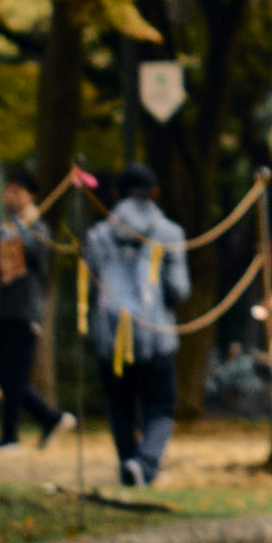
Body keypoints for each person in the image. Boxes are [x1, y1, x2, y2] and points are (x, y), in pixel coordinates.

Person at [88, 161, 190, 493]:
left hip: (111, 332)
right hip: (155, 334)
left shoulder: (99, 235)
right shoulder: (169, 233)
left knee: (120, 405)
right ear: (155, 192)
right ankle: (145, 463)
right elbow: (179, 289)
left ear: (116, 194)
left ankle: (127, 465)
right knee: (161, 404)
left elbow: (90, 284)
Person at [0, 185, 58, 449]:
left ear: (31, 193)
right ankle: (47, 419)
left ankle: (13, 433)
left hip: (25, 311)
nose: (10, 196)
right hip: (4, 309)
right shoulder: (8, 226)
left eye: (17, 190)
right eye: (7, 190)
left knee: (15, 376)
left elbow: (31, 251)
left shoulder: (37, 227)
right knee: (5, 376)